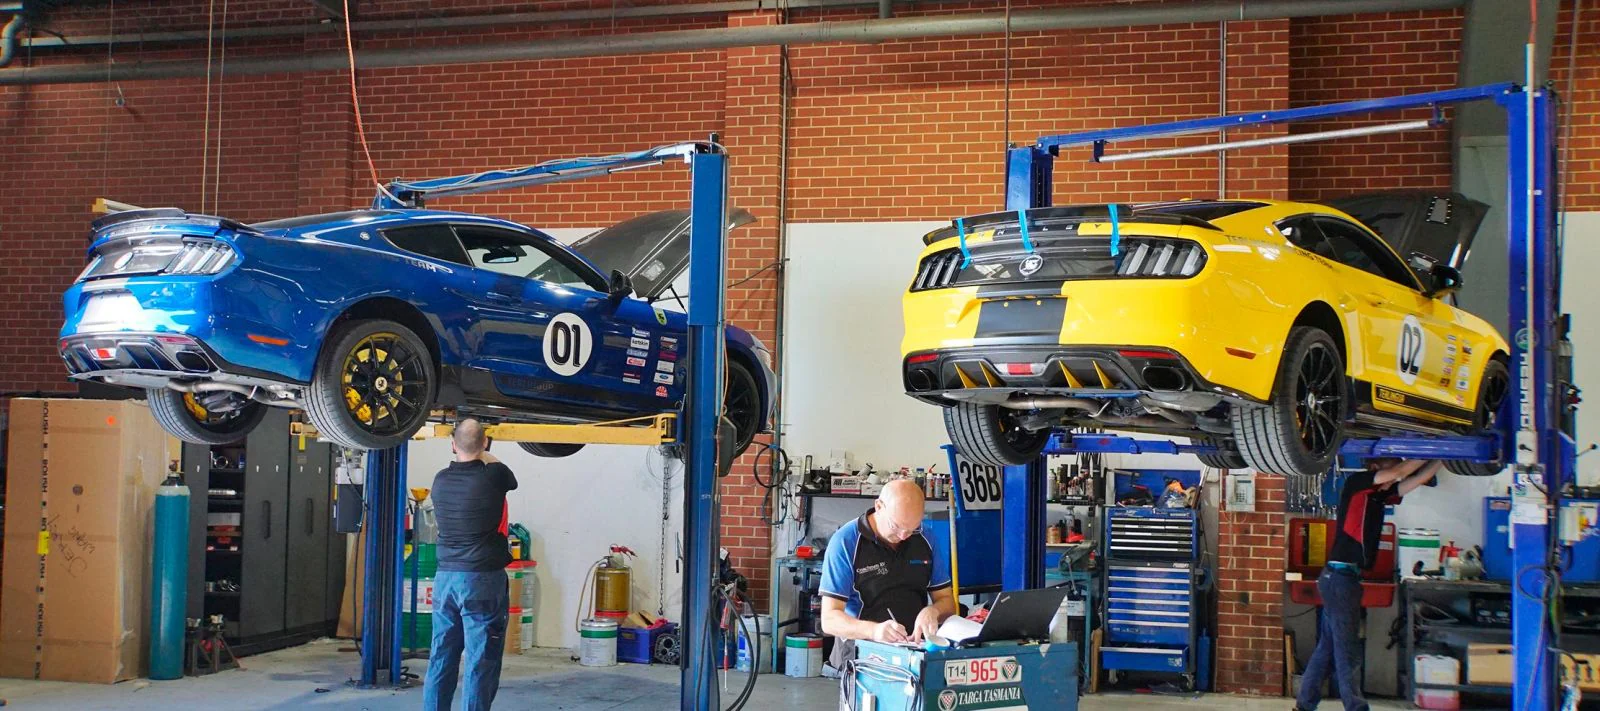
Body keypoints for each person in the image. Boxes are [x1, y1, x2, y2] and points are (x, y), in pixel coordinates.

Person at [1295, 458, 1442, 711]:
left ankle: (1304, 705)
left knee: (1328, 649)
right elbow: (1399, 472)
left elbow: (1414, 480)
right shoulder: (1357, 484)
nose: (1394, 480)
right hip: (1340, 581)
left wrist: (1441, 459)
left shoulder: (1378, 497)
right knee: (1347, 652)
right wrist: (1431, 450)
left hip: (1339, 579)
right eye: (1390, 473)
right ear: (1376, 468)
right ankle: (1356, 707)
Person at [423, 419, 520, 711]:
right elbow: (505, 475)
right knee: (481, 660)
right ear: (486, 443)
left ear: (453, 445)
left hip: (446, 580)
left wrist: (468, 446)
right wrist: (482, 450)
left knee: (441, 656)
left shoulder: (440, 480)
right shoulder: (494, 476)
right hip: (481, 580)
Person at [819, 479, 957, 670]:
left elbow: (947, 602)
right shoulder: (846, 542)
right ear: (879, 506)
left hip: (912, 652)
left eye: (911, 529)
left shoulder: (926, 538)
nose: (903, 536)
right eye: (896, 526)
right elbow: (829, 620)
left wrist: (933, 611)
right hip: (860, 656)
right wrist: (874, 630)